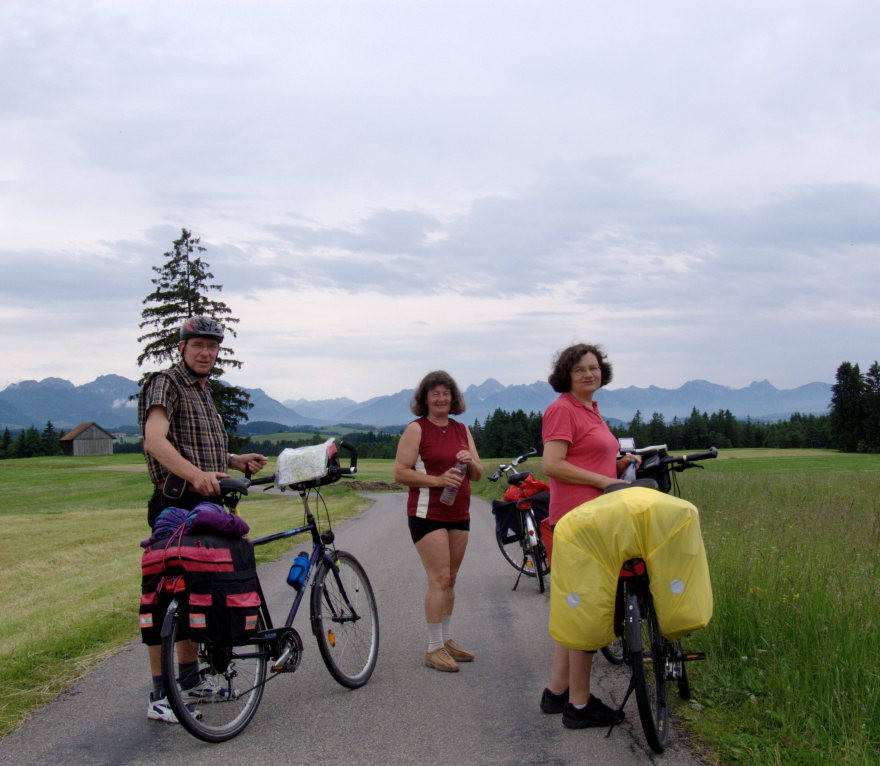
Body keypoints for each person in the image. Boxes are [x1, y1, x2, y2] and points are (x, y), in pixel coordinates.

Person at [138, 315, 267, 723]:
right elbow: (155, 440)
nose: (206, 353)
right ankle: (161, 696)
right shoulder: (166, 382)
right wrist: (193, 475)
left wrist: (234, 460)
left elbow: (198, 448)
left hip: (209, 507)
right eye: (198, 345)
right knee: (164, 597)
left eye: (212, 347)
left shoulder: (204, 391)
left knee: (198, 596)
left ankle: (190, 680)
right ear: (182, 347)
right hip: (177, 506)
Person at [539, 343, 639, 729]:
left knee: (573, 606)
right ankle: (579, 706)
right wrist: (604, 480)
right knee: (584, 611)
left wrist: (619, 463)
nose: (588, 374)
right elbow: (552, 464)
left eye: (594, 368)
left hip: (595, 516)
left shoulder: (590, 409)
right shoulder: (562, 408)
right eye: (580, 369)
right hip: (577, 521)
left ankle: (557, 691)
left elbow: (585, 458)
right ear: (566, 374)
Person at [393, 370, 483, 672]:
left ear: (453, 398)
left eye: (446, 393)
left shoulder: (461, 429)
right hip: (427, 512)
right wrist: (437, 480)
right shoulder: (416, 429)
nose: (441, 399)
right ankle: (433, 648)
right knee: (440, 578)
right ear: (425, 400)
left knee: (452, 579)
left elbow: (479, 473)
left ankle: (445, 640)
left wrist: (471, 463)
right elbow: (401, 472)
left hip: (459, 512)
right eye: (435, 394)